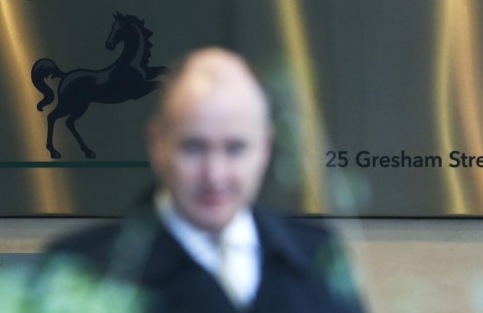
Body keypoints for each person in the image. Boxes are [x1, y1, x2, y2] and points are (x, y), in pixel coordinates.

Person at [38, 47, 367, 313]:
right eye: (194, 147)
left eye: (235, 148)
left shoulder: (318, 256)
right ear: (157, 143)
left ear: (265, 148)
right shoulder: (80, 269)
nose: (215, 175)